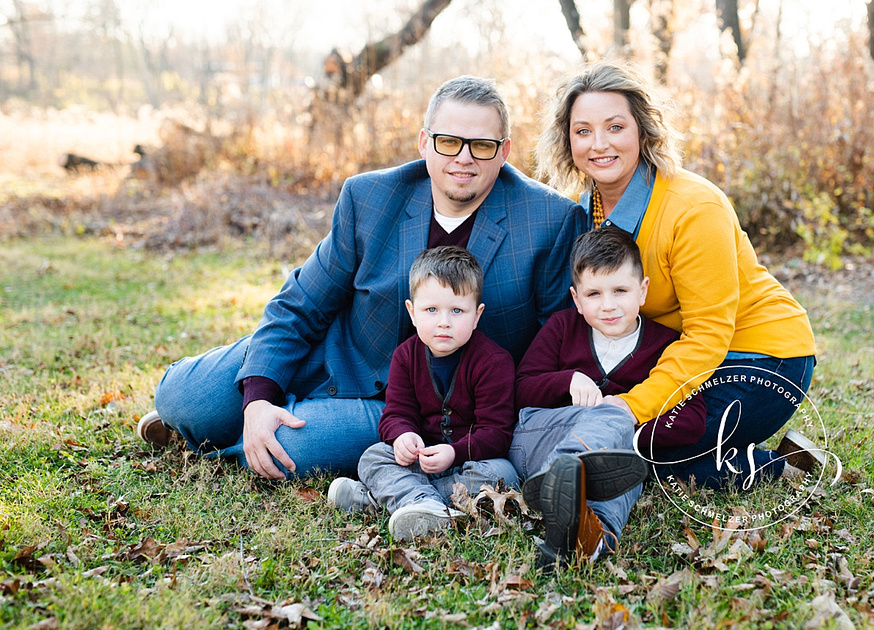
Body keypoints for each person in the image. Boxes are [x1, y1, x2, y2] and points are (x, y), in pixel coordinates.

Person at [137, 76, 587, 479]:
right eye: (449, 142)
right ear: (424, 143)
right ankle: (219, 419)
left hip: (406, 406)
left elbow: (555, 342)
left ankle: (215, 439)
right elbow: (301, 304)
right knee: (182, 396)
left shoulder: (548, 219)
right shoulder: (370, 196)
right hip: (334, 353)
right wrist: (257, 400)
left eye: (482, 146)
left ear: (504, 150)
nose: (463, 159)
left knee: (293, 449)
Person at [532, 62, 822, 496]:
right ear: (567, 140)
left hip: (763, 359)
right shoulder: (588, 207)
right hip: (689, 360)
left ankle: (778, 466)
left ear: (643, 131)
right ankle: (736, 454)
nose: (599, 144)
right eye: (583, 131)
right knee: (609, 441)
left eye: (615, 127)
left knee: (636, 450)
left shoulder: (693, 208)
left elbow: (708, 334)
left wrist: (631, 407)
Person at [511, 226, 709, 567]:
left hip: (617, 453)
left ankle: (591, 540)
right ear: (576, 299)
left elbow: (692, 420)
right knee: (617, 437)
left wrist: (624, 427)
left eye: (620, 290)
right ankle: (563, 470)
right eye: (594, 294)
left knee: (630, 468)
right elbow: (521, 389)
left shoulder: (665, 344)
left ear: (642, 291)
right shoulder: (562, 328)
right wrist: (567, 380)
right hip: (540, 438)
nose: (608, 306)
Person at [327, 247, 519, 541]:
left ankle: (385, 501)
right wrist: (402, 436)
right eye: (431, 310)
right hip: (420, 462)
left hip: (466, 466)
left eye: (457, 311)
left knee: (502, 473)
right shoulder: (406, 356)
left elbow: (497, 433)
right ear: (412, 312)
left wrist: (454, 452)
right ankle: (426, 505)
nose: (444, 322)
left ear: (477, 315)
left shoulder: (494, 361)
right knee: (373, 456)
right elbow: (396, 413)